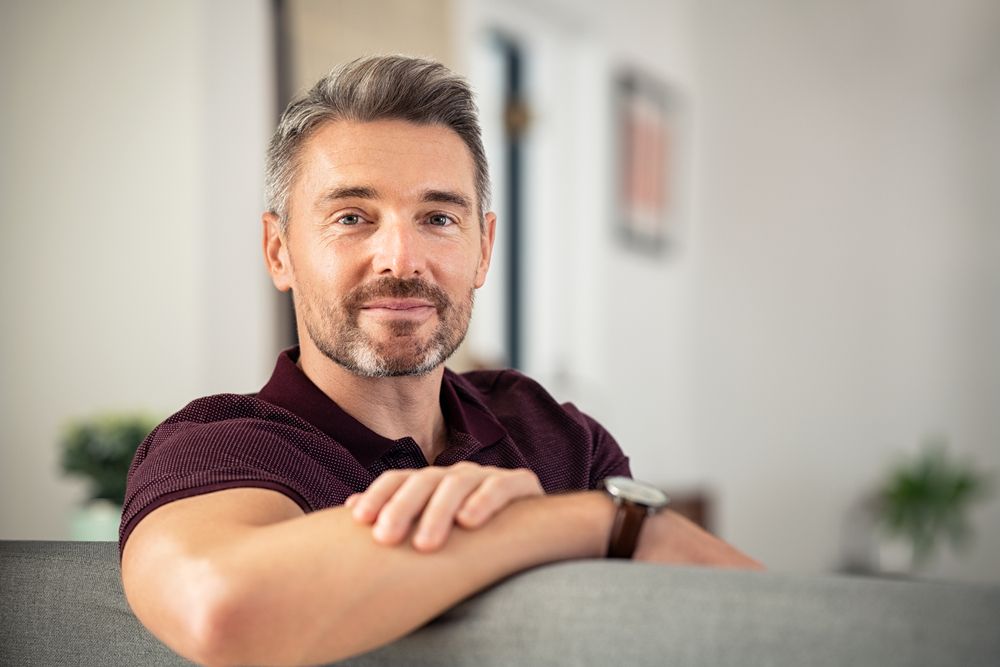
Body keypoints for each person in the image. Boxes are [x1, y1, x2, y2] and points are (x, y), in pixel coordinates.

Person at [120, 55, 761, 667]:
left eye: (437, 217)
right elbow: (219, 608)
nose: (401, 259)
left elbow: (765, 622)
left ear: (483, 249)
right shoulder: (222, 448)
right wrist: (591, 522)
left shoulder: (555, 436)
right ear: (279, 250)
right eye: (352, 216)